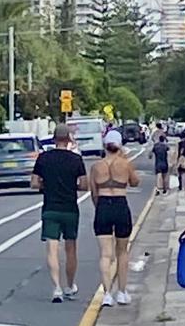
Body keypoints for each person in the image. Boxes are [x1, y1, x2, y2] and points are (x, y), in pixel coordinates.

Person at [31, 123, 88, 303]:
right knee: (71, 249)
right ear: (69, 139)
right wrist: (72, 186)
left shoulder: (43, 158)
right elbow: (84, 185)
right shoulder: (76, 160)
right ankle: (70, 285)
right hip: (70, 208)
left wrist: (45, 185)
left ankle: (56, 288)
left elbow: (34, 183)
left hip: (50, 208)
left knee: (52, 249)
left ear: (54, 139)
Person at [90, 129, 140, 307]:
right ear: (120, 146)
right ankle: (122, 291)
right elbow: (135, 182)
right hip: (120, 204)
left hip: (103, 205)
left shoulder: (97, 166)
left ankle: (107, 294)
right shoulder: (125, 164)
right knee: (122, 251)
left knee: (105, 254)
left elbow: (93, 192)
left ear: (105, 145)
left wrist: (99, 207)